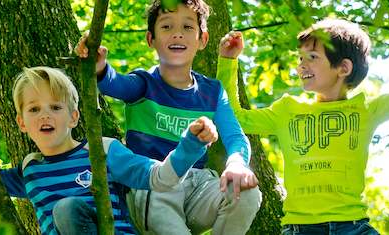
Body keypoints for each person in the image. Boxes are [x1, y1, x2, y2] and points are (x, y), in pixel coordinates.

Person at [217, 18, 389, 234]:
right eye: (300, 58)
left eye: (312, 57)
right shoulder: (287, 111)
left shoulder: (366, 111)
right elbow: (235, 117)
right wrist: (228, 62)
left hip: (353, 227)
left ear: (343, 68)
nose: (300, 66)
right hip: (301, 229)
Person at [76, 0, 262, 234]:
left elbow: (235, 136)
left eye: (187, 27)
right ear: (150, 39)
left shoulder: (212, 92)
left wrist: (237, 163)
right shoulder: (143, 84)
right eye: (166, 27)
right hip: (153, 185)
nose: (177, 35)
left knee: (245, 192)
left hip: (198, 187)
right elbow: (115, 84)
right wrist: (101, 67)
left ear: (202, 39)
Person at [0, 66, 219, 235]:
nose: (44, 115)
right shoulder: (30, 170)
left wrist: (191, 145)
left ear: (74, 117)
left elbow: (160, 177)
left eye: (56, 107)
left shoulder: (101, 150)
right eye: (34, 109)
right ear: (21, 122)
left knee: (67, 208)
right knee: (65, 210)